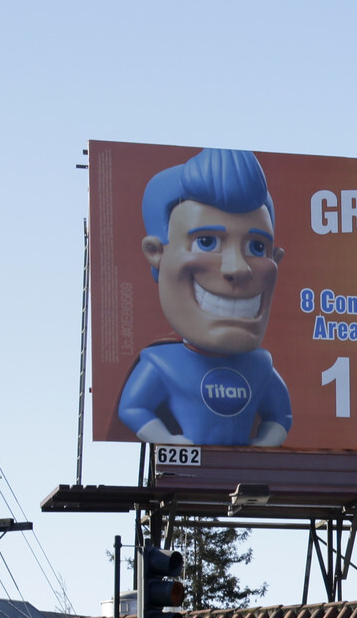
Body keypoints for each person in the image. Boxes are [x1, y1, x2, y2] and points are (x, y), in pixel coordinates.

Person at [115, 147, 292, 448]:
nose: (238, 268)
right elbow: (132, 407)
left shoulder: (260, 367)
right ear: (156, 253)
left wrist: (263, 446)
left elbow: (282, 414)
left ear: (276, 258)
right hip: (188, 477)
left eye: (257, 248)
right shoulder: (161, 362)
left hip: (241, 480)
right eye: (206, 242)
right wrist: (168, 442)